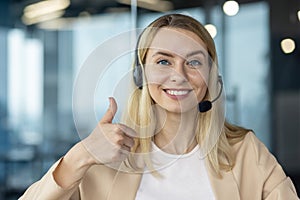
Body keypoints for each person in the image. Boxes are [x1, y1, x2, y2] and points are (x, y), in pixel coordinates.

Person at [20, 13, 299, 200]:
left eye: (194, 62)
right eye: (163, 61)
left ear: (211, 77)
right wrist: (81, 155)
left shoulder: (245, 151)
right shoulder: (106, 155)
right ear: (140, 74)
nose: (178, 74)